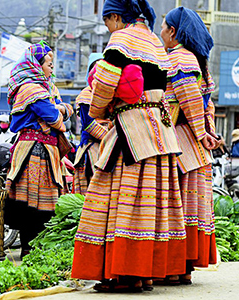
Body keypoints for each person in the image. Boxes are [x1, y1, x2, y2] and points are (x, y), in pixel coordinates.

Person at [71, 0, 186, 292]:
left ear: (115, 17)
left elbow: (105, 82)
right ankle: (145, 273)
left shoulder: (121, 39)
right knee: (150, 203)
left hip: (131, 129)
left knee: (121, 198)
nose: (108, 28)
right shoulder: (156, 43)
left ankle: (126, 274)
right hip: (159, 129)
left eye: (107, 22)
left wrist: (98, 110)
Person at [161, 6, 219, 284]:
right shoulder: (197, 61)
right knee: (189, 209)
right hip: (196, 147)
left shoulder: (179, 59)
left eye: (163, 26)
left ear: (173, 31)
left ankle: (173, 268)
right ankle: (182, 268)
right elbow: (207, 105)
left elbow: (190, 102)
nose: (160, 31)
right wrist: (208, 132)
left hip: (180, 141)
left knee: (176, 207)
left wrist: (201, 131)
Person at [5, 42, 73, 258]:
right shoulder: (30, 88)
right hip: (34, 151)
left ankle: (37, 249)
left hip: (48, 150)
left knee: (46, 204)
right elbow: (53, 117)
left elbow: (60, 112)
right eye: (49, 64)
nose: (52, 69)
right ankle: (28, 249)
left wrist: (59, 110)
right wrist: (60, 111)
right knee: (31, 204)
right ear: (36, 65)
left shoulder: (48, 88)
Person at [73, 53, 109, 195]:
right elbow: (88, 124)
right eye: (96, 67)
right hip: (92, 146)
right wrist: (111, 137)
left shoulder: (109, 94)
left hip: (108, 143)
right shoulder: (86, 96)